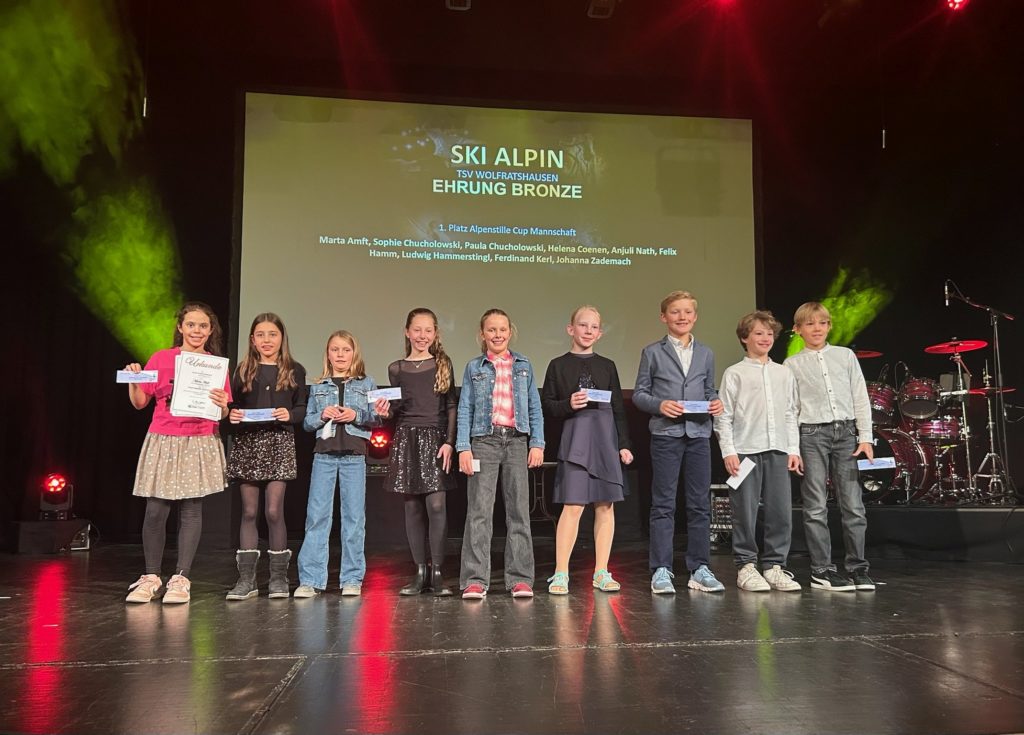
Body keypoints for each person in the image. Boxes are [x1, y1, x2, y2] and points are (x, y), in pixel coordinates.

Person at [123, 302, 231, 604]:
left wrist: (223, 404)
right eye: (191, 325)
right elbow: (139, 403)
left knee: (191, 509)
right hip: (164, 438)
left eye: (203, 326)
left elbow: (222, 413)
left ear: (210, 331)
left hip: (199, 439)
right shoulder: (161, 358)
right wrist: (134, 380)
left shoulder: (215, 365)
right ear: (181, 327)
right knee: (156, 509)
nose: (197, 331)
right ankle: (151, 577)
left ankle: (181, 578)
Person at [633, 290, 725, 594]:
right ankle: (661, 569)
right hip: (666, 435)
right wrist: (660, 405)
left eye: (687, 312)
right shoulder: (652, 352)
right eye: (675, 312)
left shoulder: (706, 353)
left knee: (700, 504)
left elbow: (709, 389)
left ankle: (700, 568)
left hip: (699, 434)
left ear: (695, 317)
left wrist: (715, 402)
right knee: (663, 503)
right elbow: (640, 394)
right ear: (664, 317)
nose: (682, 317)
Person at [541, 305, 633, 595]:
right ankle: (561, 573)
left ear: (600, 333)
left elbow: (618, 407)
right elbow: (548, 406)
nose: (588, 331)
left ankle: (602, 572)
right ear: (571, 329)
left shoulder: (608, 366)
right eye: (583, 325)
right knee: (573, 505)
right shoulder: (558, 365)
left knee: (605, 506)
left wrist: (624, 444)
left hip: (605, 440)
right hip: (576, 440)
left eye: (594, 327)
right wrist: (569, 404)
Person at [784, 302, 876, 592]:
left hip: (846, 432)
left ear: (829, 326)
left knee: (853, 505)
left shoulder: (844, 356)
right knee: (815, 506)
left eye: (822, 323)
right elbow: (790, 409)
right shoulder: (792, 364)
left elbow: (860, 395)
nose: (817, 329)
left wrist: (865, 437)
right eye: (809, 324)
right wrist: (792, 448)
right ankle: (822, 569)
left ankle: (858, 568)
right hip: (811, 434)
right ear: (798, 329)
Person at [457, 309, 545, 599]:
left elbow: (534, 406)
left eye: (502, 329)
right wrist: (464, 447)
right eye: (491, 330)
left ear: (510, 332)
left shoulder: (523, 365)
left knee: (519, 511)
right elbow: (465, 408)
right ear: (482, 334)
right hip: (484, 441)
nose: (497, 335)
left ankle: (520, 578)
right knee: (479, 513)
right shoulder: (474, 367)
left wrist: (537, 443)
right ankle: (474, 579)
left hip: (516, 441)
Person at [714, 310, 803, 592]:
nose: (765, 338)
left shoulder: (783, 373)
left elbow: (791, 413)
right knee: (745, 510)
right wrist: (728, 451)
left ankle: (775, 565)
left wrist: (793, 449)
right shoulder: (734, 373)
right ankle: (746, 565)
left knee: (780, 511)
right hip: (745, 450)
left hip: (777, 449)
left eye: (769, 333)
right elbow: (723, 416)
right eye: (758, 333)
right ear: (744, 338)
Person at [224, 313, 307, 600]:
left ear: (281, 337)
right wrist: (231, 414)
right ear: (252, 339)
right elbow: (230, 407)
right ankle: (246, 581)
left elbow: (302, 408)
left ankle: (278, 579)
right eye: (261, 334)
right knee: (249, 512)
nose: (267, 340)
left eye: (272, 334)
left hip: (279, 442)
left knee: (273, 511)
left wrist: (290, 415)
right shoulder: (242, 369)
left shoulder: (294, 369)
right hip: (248, 443)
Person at [377, 308, 458, 596]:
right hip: (407, 438)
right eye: (417, 330)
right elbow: (396, 407)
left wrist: (449, 441)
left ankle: (437, 572)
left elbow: (450, 405)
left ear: (435, 334)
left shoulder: (442, 364)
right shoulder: (396, 368)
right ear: (407, 332)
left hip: (436, 438)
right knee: (412, 507)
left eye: (428, 330)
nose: (422, 335)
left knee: (436, 505)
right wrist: (385, 412)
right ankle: (419, 570)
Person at [293, 331, 380, 598]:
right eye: (335, 350)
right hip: (324, 456)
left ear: (354, 353)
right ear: (328, 353)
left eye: (345, 349)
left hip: (354, 457)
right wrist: (321, 415)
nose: (340, 355)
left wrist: (356, 414)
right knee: (317, 517)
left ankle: (351, 578)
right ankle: (311, 580)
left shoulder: (367, 383)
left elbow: (377, 418)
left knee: (354, 519)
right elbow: (307, 423)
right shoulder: (318, 385)